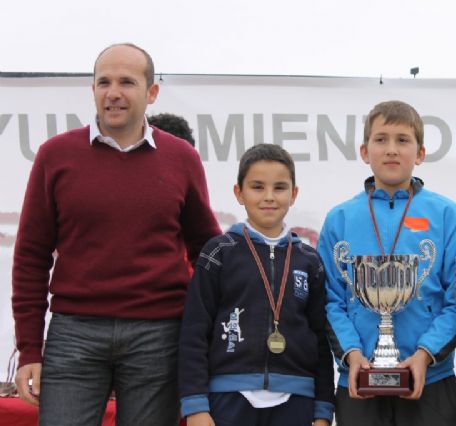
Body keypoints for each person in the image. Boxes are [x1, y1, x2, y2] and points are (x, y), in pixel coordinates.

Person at [12, 43, 221, 425]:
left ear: (151, 92)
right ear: (92, 89)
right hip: (74, 333)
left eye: (127, 82)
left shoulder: (181, 158)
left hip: (158, 335)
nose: (113, 93)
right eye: (104, 82)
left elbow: (207, 250)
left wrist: (208, 336)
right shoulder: (54, 155)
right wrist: (29, 350)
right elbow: (31, 255)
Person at [317, 100, 456, 426]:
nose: (391, 150)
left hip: (432, 380)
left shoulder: (446, 215)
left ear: (421, 153)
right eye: (381, 139)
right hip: (359, 381)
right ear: (364, 151)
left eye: (403, 140)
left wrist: (425, 355)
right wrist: (353, 355)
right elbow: (331, 300)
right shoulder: (339, 219)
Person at [178, 143, 334, 426]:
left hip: (296, 399)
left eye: (279, 187)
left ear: (294, 193)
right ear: (239, 193)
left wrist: (323, 410)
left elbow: (321, 340)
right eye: (257, 187)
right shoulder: (219, 252)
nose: (269, 197)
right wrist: (196, 405)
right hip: (227, 396)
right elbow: (194, 332)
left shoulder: (309, 260)